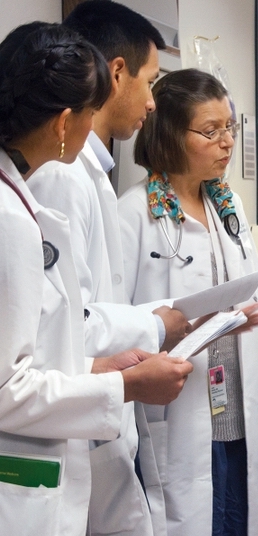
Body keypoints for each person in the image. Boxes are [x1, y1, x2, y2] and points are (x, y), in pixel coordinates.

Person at [0, 22, 192, 536]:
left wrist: (98, 365)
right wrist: (122, 384)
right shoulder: (13, 217)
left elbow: (40, 338)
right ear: (64, 123)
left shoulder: (16, 199)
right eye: (89, 114)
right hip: (24, 469)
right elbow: (6, 387)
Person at [118, 68, 258, 536]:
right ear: (170, 133)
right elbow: (108, 319)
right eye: (210, 131)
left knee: (237, 519)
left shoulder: (227, 205)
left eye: (229, 127)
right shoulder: (135, 213)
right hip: (178, 415)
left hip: (238, 411)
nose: (226, 142)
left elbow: (257, 306)